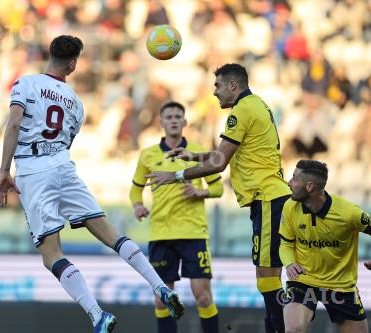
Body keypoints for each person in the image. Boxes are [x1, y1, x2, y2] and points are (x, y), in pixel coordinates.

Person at [0, 35, 184, 333]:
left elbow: (15, 124)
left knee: (51, 255)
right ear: (72, 64)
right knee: (111, 233)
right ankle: (159, 286)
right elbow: (66, 140)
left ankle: (97, 315)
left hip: (33, 171)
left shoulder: (25, 84)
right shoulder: (76, 103)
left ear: (51, 54)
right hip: (63, 166)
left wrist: (4, 171)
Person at [145, 63, 292, 333]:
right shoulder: (256, 105)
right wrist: (195, 155)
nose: (214, 92)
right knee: (267, 276)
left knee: (268, 275)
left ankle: (280, 328)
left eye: (218, 86)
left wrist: (178, 175)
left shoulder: (242, 110)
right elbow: (225, 153)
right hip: (269, 199)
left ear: (232, 86)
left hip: (269, 198)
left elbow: (220, 163)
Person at [130, 101, 224, 333]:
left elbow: (218, 188)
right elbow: (135, 188)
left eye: (177, 116)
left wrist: (200, 191)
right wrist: (138, 205)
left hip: (193, 233)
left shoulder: (197, 151)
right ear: (161, 122)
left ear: (184, 122)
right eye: (168, 116)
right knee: (163, 299)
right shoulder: (148, 155)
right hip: (161, 234)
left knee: (202, 296)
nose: (173, 120)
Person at [279, 160, 371, 333]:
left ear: (310, 187)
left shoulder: (349, 213)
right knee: (293, 329)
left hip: (340, 286)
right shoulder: (289, 207)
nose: (289, 183)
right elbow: (285, 243)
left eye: (294, 179)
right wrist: (290, 262)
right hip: (303, 281)